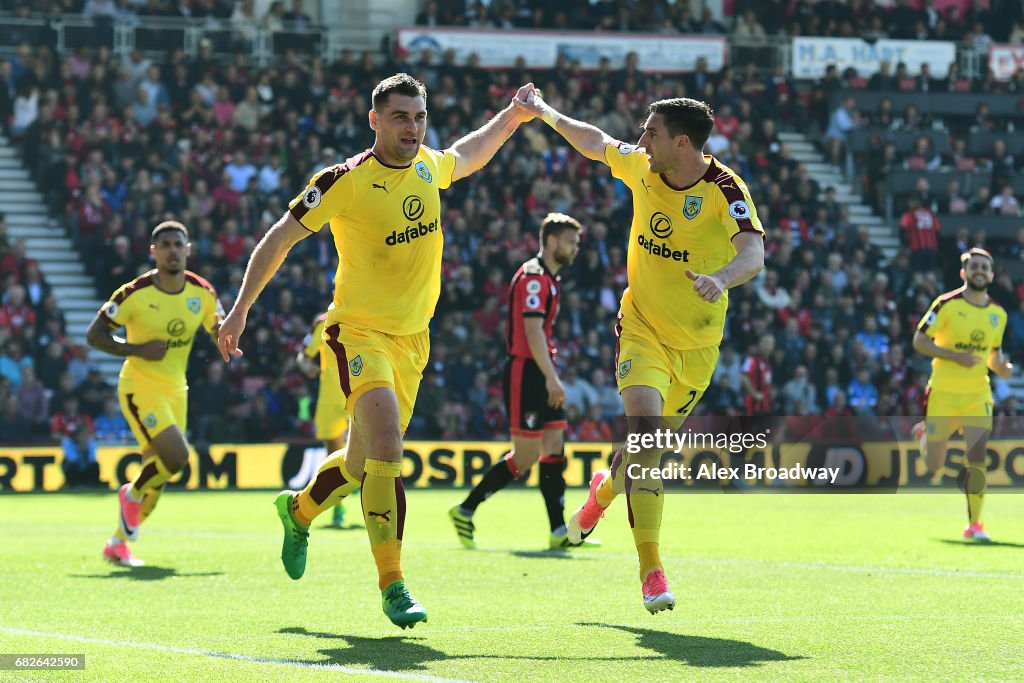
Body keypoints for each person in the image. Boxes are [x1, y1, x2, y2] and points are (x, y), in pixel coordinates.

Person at [217, 73, 535, 628]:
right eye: (399, 117)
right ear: (374, 120)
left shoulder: (426, 167)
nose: (411, 127)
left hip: (413, 338)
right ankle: (394, 585)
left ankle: (298, 510)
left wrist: (511, 116)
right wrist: (242, 308)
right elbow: (280, 236)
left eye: (418, 117)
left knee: (365, 464)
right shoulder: (345, 180)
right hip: (356, 332)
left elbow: (467, 154)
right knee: (388, 444)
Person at [515, 91, 764, 612]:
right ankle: (651, 569)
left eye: (651, 132)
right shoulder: (642, 166)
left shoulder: (725, 188)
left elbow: (754, 253)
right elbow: (595, 142)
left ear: (681, 142)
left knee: (638, 459)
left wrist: (721, 278)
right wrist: (546, 113)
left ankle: (601, 495)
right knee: (648, 441)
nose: (641, 138)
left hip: (697, 345)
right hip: (642, 327)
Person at [448, 213, 594, 550]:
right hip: (527, 372)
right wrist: (551, 379)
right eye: (571, 242)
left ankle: (559, 531)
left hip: (541, 369)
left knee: (554, 450)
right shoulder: (534, 278)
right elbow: (531, 332)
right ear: (553, 241)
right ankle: (466, 509)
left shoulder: (549, 279)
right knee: (526, 456)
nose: (576, 249)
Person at [87, 221, 223, 567]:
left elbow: (217, 326)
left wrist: (229, 334)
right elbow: (95, 335)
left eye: (178, 244)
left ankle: (117, 544)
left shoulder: (202, 293)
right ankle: (129, 494)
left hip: (177, 388)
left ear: (188, 249)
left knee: (160, 476)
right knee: (176, 458)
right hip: (140, 386)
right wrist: (136, 348)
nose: (172, 250)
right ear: (154, 252)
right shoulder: (134, 293)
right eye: (164, 245)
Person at [912, 248, 1012, 542]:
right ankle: (925, 438)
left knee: (977, 458)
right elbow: (919, 340)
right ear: (964, 273)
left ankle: (975, 524)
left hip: (977, 394)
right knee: (934, 465)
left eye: (985, 267)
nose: (980, 271)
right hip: (942, 392)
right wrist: (954, 356)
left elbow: (992, 355)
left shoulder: (998, 314)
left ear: (991, 275)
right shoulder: (945, 304)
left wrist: (1002, 368)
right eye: (975, 267)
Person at [294, 308, 350, 527]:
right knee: (334, 457)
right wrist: (306, 366)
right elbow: (303, 356)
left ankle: (375, 512)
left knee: (366, 456)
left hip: (359, 393)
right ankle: (339, 508)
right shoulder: (322, 322)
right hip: (330, 398)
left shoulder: (366, 316)